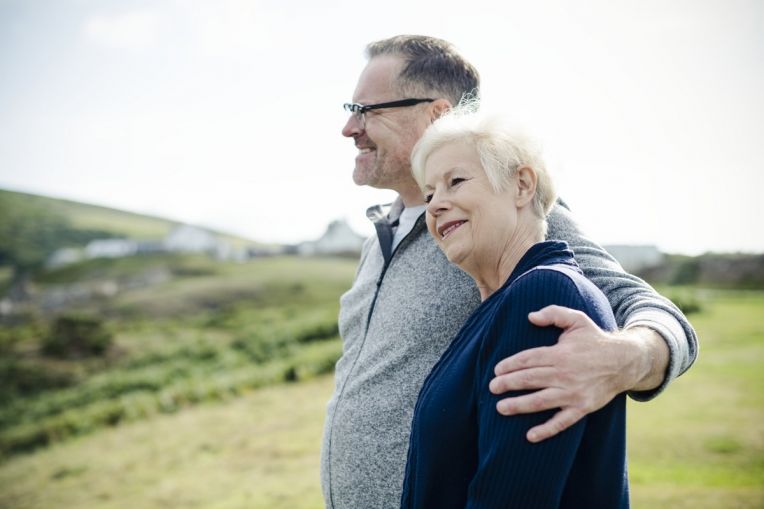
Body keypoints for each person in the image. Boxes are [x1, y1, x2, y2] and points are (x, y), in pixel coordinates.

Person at [321, 35, 697, 509]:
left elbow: (648, 309)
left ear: (438, 114)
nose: (349, 127)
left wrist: (629, 358)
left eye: (365, 109)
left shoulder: (507, 215)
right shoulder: (380, 236)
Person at [401, 106, 627, 508]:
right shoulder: (500, 306)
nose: (435, 206)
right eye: (430, 193)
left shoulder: (542, 295)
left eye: (455, 182)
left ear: (522, 185)